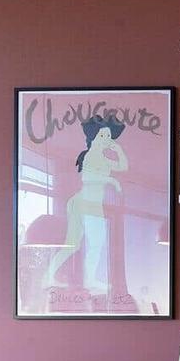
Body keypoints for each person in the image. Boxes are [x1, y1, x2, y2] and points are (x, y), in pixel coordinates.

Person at [43, 112, 129, 294]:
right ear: (93, 137)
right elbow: (88, 178)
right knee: (90, 243)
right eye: (102, 135)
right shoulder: (90, 156)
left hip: (88, 204)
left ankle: (64, 277)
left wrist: (119, 150)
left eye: (108, 135)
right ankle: (75, 278)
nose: (106, 138)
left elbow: (123, 167)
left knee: (78, 244)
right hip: (86, 204)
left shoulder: (104, 158)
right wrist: (111, 182)